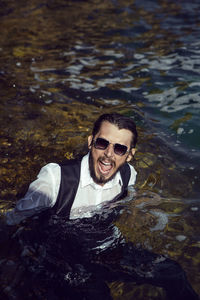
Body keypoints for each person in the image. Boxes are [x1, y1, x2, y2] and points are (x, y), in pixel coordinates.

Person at [5, 113, 199, 300]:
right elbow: (13, 221)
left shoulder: (128, 175)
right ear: (90, 142)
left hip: (107, 249)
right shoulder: (55, 179)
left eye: (119, 149)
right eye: (102, 143)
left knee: (174, 274)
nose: (108, 154)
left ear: (130, 155)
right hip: (62, 258)